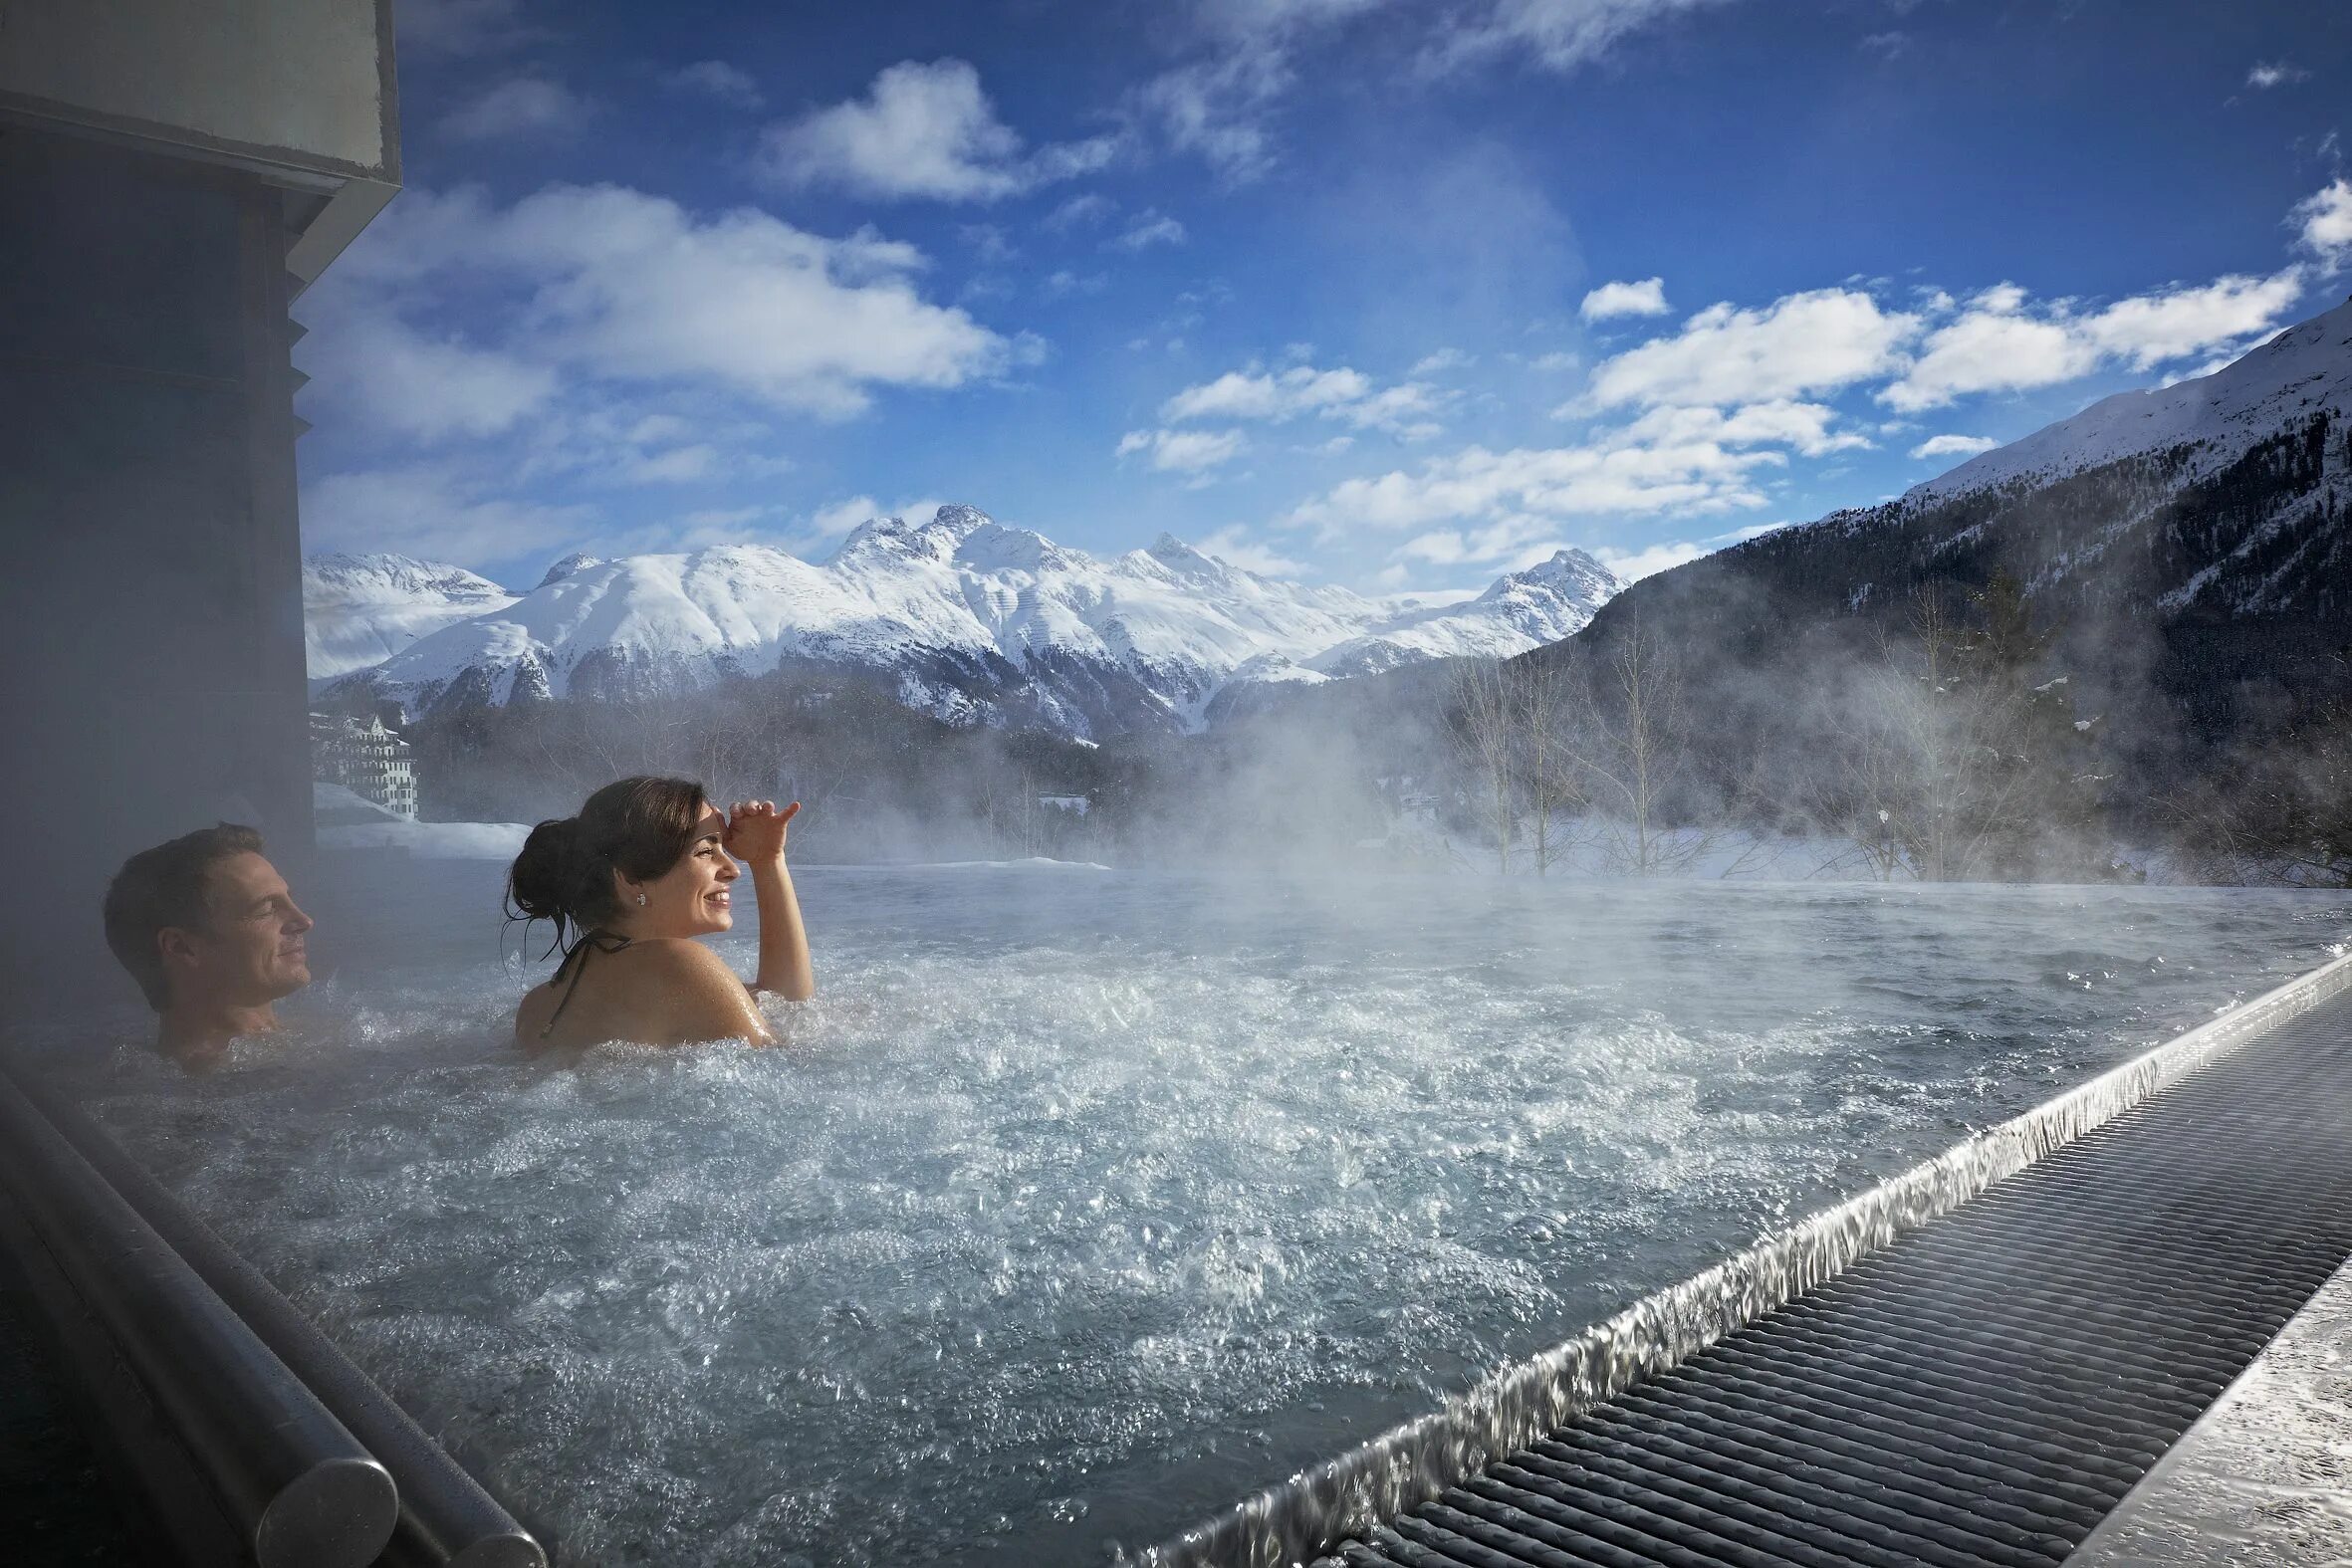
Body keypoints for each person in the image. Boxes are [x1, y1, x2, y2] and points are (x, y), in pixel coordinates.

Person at [507, 777, 815, 1047]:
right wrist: (768, 865)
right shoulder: (679, 962)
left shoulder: (537, 1006)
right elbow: (780, 1055)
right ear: (631, 879)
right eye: (706, 851)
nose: (733, 869)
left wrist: (767, 861)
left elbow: (782, 1003)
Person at [101, 824, 316, 1070]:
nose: (304, 921)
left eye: (289, 899)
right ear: (182, 947)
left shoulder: (323, 1033)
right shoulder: (200, 1093)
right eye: (265, 908)